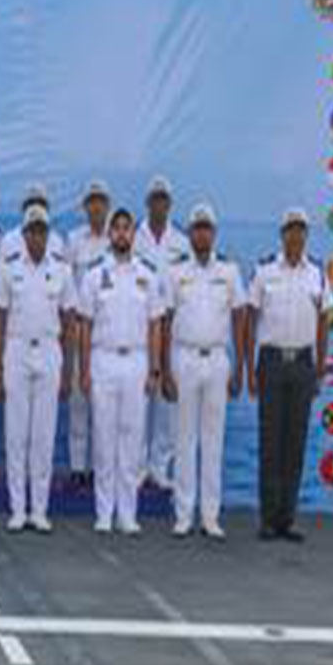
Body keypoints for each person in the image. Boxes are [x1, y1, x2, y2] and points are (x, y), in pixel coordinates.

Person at [78, 206, 164, 534]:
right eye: (117, 228)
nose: (122, 234)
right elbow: (84, 325)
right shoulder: (94, 275)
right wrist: (84, 370)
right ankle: (103, 511)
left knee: (132, 439)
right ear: (110, 234)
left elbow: (156, 324)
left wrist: (155, 368)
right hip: (103, 360)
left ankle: (127, 513)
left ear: (133, 234)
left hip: (137, 362)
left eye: (127, 228)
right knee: (104, 438)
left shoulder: (148, 275)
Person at [247, 208, 332, 543]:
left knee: (295, 444)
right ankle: (268, 519)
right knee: (271, 443)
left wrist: (321, 365)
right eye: (290, 231)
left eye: (301, 231)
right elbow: (250, 317)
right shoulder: (265, 270)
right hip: (271, 362)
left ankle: (287, 519)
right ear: (281, 235)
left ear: (306, 236)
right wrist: (249, 366)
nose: (296, 237)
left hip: (302, 364)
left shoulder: (317, 274)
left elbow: (324, 319)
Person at [0, 205, 75, 532]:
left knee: (43, 434)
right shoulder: (9, 269)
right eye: (32, 231)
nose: (37, 237)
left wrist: (68, 367)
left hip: (49, 350)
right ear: (24, 235)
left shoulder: (62, 271)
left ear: (49, 235)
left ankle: (39, 508)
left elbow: (69, 319)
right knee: (16, 433)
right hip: (17, 349)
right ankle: (17, 507)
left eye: (43, 231)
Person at [167, 203, 246, 539]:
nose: (201, 233)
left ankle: (210, 515)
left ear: (214, 234)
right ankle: (184, 514)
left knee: (213, 441)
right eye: (196, 227)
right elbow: (164, 319)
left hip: (216, 360)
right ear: (189, 234)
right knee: (184, 440)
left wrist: (240, 364)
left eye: (207, 228)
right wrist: (163, 368)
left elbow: (240, 317)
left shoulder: (228, 271)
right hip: (183, 358)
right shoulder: (175, 272)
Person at [135, 175, 190, 492]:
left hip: (170, 328)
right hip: (139, 328)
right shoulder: (136, 237)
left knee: (166, 407)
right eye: (154, 198)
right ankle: (139, 467)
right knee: (140, 405)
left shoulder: (181, 243)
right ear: (148, 203)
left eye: (164, 199)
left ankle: (159, 466)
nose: (159, 204)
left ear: (169, 204)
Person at [64, 179, 112, 489]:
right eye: (91, 201)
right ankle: (78, 467)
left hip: (106, 336)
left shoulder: (118, 240)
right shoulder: (73, 241)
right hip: (80, 329)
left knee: (104, 409)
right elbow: (67, 290)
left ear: (107, 207)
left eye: (101, 202)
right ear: (85, 207)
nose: (96, 207)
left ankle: (99, 468)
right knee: (78, 404)